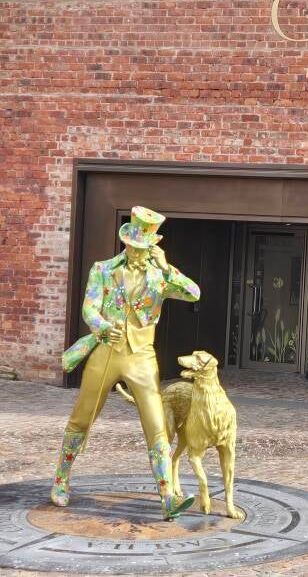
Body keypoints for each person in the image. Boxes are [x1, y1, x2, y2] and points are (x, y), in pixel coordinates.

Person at [51, 206, 201, 520]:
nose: (138, 252)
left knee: (157, 425)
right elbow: (89, 308)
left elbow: (194, 294)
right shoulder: (103, 269)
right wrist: (103, 326)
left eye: (144, 248)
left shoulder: (160, 276)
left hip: (142, 357)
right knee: (82, 417)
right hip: (106, 353)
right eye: (134, 246)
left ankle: (167, 497)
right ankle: (61, 479)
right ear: (126, 241)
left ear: (153, 247)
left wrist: (168, 268)